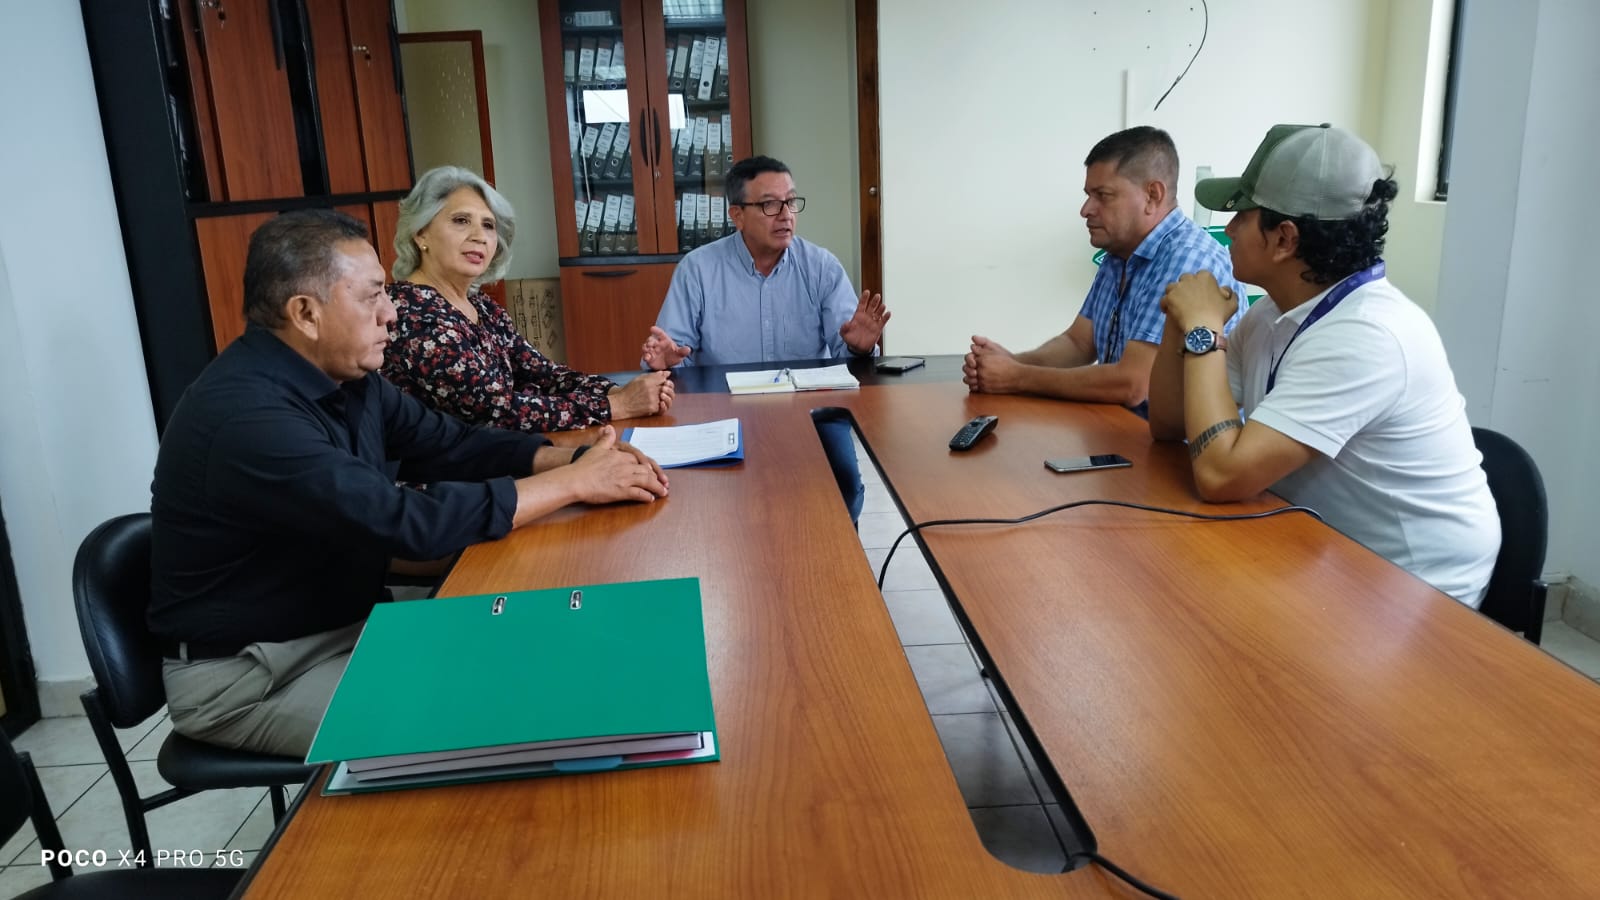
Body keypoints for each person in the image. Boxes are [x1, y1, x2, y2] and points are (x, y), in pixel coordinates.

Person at [150, 209, 669, 757]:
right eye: (372, 295)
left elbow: (453, 444)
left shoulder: (345, 375)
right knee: (503, 721)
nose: (391, 312)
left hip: (347, 622)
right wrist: (574, 484)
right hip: (254, 674)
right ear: (305, 313)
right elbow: (405, 523)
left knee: (550, 653)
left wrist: (573, 460)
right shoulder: (248, 416)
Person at [1148, 123, 1498, 607]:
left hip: (1414, 584)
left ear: (1284, 239)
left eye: (1242, 216)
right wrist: (1181, 320)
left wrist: (1204, 327)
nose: (1228, 230)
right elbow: (1168, 425)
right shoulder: (1273, 314)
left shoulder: (1366, 336)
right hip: (1321, 547)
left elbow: (1221, 476)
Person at [640, 155, 889, 521]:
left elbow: (847, 356)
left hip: (810, 409)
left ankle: (835, 555)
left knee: (845, 485)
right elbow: (674, 353)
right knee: (717, 497)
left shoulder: (821, 267)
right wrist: (664, 362)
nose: (786, 215)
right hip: (724, 409)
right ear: (737, 215)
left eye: (791, 201)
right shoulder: (698, 269)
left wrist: (859, 346)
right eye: (770, 205)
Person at [963, 126, 1244, 416]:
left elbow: (1133, 383)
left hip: (1177, 443)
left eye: (1103, 195)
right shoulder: (1119, 253)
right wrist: (1013, 362)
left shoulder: (1188, 259)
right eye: (1088, 195)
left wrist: (1016, 377)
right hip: (1120, 429)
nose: (1086, 209)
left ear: (1152, 195)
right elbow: (1078, 342)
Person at [382, 166, 673, 432]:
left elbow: (543, 373)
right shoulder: (409, 313)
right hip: (444, 471)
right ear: (420, 233)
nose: (479, 236)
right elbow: (496, 410)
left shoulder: (481, 306)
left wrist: (616, 391)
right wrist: (617, 405)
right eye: (461, 221)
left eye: (488, 225)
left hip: (499, 456)